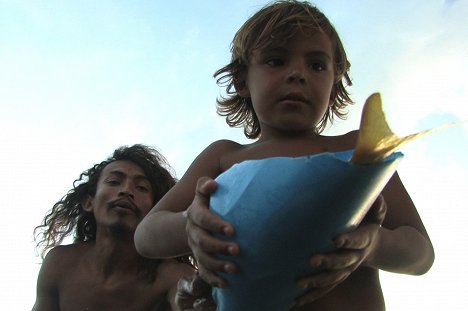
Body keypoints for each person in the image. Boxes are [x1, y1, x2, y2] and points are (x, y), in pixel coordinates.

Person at [134, 1, 435, 310]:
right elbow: (145, 235)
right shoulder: (223, 156)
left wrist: (374, 245)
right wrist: (189, 225)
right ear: (241, 80)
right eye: (276, 60)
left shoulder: (359, 151)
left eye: (317, 65)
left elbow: (422, 252)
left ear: (333, 86)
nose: (297, 74)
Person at [33, 144, 197, 311]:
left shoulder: (173, 277)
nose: (126, 191)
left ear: (156, 210)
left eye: (141, 188)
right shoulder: (59, 263)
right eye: (114, 182)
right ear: (89, 203)